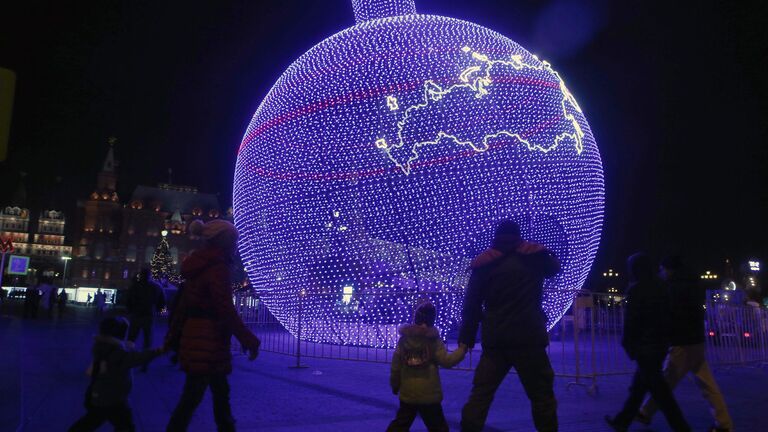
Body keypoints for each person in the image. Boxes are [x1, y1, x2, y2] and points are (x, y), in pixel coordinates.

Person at [459, 220, 561, 432]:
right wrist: (542, 250)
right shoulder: (533, 257)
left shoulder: (484, 263)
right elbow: (554, 268)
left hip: (496, 339)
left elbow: (472, 303)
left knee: (480, 395)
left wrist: (466, 338)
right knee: (542, 396)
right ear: (518, 236)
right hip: (529, 338)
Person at [165, 219, 261, 432]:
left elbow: (184, 304)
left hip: (197, 336)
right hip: (209, 340)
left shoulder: (199, 264)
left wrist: (173, 336)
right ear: (224, 242)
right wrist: (248, 338)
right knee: (196, 396)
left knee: (212, 393)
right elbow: (224, 308)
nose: (236, 246)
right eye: (234, 241)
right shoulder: (217, 267)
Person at [637, 256, 732, 432]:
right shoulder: (692, 285)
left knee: (666, 382)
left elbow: (671, 316)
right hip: (696, 341)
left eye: (662, 269)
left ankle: (645, 412)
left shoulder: (674, 288)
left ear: (669, 269)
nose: (661, 273)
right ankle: (724, 423)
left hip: (682, 343)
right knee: (707, 384)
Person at [605, 253, 691, 432]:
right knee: (638, 388)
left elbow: (632, 321)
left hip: (645, 347)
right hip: (659, 346)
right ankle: (622, 421)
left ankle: (682, 428)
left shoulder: (636, 289)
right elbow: (668, 316)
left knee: (662, 394)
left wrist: (628, 343)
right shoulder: (662, 286)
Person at [68, 316, 164, 431]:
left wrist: (124, 345)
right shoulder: (119, 354)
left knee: (93, 420)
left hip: (101, 394)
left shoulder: (103, 347)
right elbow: (138, 358)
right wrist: (158, 351)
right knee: (124, 426)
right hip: (113, 399)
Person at [388, 301, 467, 432]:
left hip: (408, 392)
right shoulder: (433, 341)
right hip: (429, 394)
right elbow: (446, 361)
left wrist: (395, 384)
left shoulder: (404, 340)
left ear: (415, 318)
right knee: (438, 426)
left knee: (400, 424)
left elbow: (396, 366)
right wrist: (461, 350)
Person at [127, 268, 165, 372]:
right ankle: (145, 364)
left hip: (136, 315)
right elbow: (162, 302)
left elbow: (128, 300)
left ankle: (128, 361)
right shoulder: (156, 287)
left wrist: (130, 310)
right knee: (147, 340)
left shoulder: (135, 286)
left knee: (131, 338)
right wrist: (159, 310)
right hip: (149, 316)